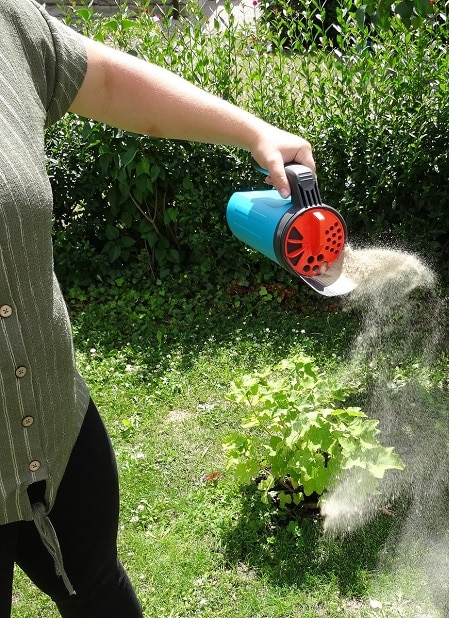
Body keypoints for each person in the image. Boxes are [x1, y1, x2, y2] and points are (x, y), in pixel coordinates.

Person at [0, 1, 315, 616]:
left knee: (99, 586)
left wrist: (253, 130)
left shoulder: (10, 23)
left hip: (56, 423)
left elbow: (110, 79)